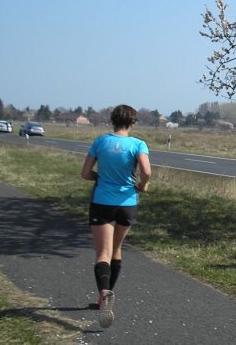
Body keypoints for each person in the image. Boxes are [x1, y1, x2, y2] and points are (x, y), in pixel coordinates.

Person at [80, 104, 151, 329]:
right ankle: (107, 295)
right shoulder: (138, 144)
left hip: (102, 202)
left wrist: (98, 178)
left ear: (112, 121)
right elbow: (146, 171)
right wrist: (143, 185)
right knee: (117, 250)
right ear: (132, 123)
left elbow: (84, 173)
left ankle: (103, 292)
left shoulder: (100, 142)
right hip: (127, 203)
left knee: (103, 253)